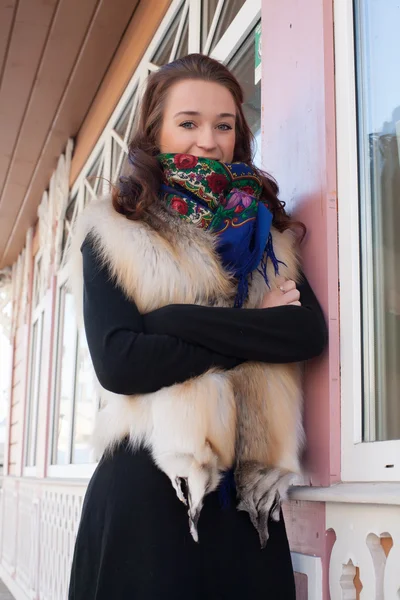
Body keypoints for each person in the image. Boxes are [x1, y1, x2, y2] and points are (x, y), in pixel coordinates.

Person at [68, 54, 327, 600]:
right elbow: (121, 363)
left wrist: (170, 323)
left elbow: (306, 335)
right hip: (149, 493)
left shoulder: (270, 238)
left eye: (224, 124)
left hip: (247, 506)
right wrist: (250, 328)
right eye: (188, 123)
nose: (208, 140)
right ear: (155, 131)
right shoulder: (115, 233)